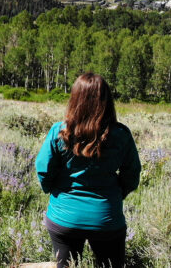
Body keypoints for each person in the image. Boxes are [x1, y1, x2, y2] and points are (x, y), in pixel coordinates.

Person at [35, 73, 141, 268]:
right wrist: (117, 193)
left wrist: (55, 190)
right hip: (106, 219)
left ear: (75, 99)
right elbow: (132, 175)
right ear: (107, 100)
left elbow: (43, 171)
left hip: (64, 218)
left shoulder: (60, 131)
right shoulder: (120, 134)